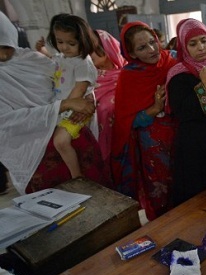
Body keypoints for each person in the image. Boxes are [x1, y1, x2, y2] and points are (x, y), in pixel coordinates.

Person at [0, 11, 101, 195]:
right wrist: (65, 105)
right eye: (60, 42)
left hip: (70, 124)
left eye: (6, 45)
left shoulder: (29, 58)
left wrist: (81, 102)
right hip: (34, 151)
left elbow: (68, 79)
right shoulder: (60, 56)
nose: (3, 52)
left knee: (95, 197)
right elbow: (6, 122)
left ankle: (79, 178)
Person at [111, 21, 177, 221]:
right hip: (153, 148)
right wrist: (154, 109)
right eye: (142, 47)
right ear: (131, 53)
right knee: (161, 193)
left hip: (180, 135)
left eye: (152, 42)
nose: (151, 49)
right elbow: (127, 121)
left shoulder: (172, 61)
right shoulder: (129, 77)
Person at [166, 18, 206, 205]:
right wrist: (205, 84)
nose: (201, 47)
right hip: (193, 149)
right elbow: (183, 112)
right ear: (184, 47)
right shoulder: (178, 75)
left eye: (204, 40)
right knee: (196, 201)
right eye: (193, 44)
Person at [35, 13, 98, 179]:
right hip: (63, 106)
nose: (64, 47)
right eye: (59, 42)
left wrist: (63, 109)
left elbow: (78, 91)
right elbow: (53, 58)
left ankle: (76, 176)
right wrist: (41, 50)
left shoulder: (83, 63)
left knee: (60, 141)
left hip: (76, 110)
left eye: (71, 43)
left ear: (82, 41)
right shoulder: (64, 57)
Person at [91, 30, 127, 165]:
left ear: (107, 47)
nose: (88, 55)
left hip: (128, 144)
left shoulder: (128, 75)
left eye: (93, 49)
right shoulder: (87, 79)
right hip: (100, 149)